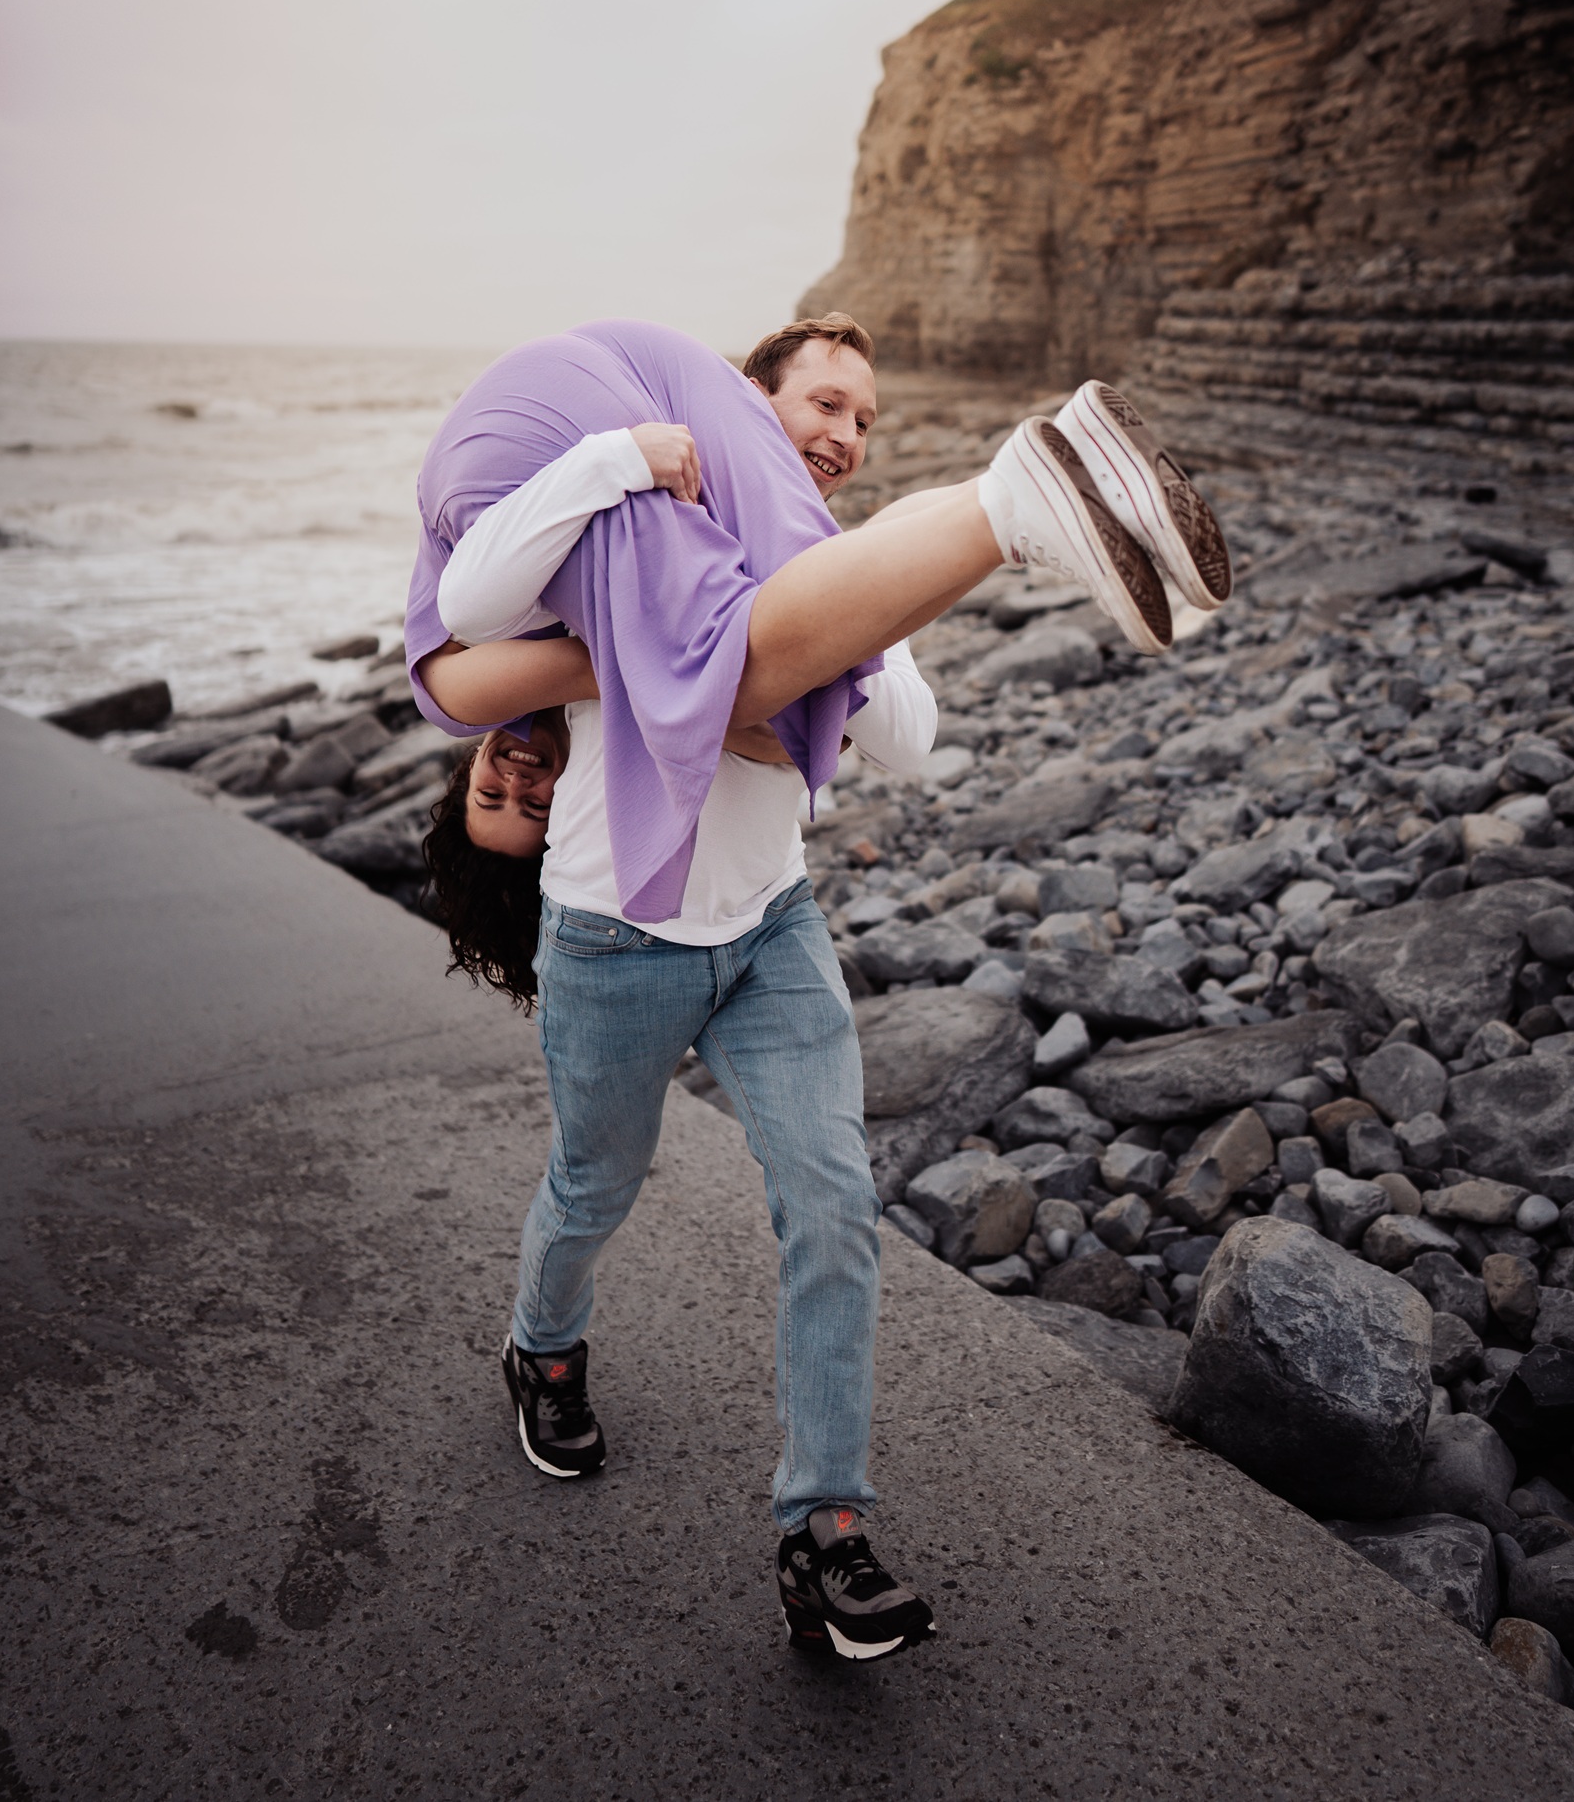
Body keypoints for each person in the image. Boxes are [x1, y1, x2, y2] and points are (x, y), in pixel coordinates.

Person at [407, 313, 1228, 1661]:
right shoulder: (628, 528)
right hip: (617, 939)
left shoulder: (849, 580)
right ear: (745, 406)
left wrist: (811, 645)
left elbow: (909, 738)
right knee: (593, 1187)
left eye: (864, 421)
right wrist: (672, 648)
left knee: (835, 1209)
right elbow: (468, 637)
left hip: (772, 932)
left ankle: (824, 1535)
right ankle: (541, 1348)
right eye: (823, 405)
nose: (842, 436)